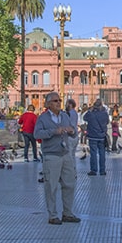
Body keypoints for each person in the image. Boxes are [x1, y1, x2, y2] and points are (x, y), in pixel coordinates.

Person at [34, 91, 79, 225]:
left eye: (59, 100)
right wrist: (53, 132)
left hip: (65, 154)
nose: (59, 103)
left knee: (69, 184)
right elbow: (37, 134)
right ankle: (53, 215)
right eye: (55, 101)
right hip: (51, 155)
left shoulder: (65, 116)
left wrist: (72, 131)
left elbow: (74, 131)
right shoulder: (43, 118)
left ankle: (68, 213)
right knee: (51, 186)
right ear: (48, 104)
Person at [84, 98, 109, 176]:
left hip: (92, 136)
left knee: (93, 153)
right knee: (102, 153)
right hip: (101, 136)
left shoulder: (91, 113)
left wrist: (90, 110)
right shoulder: (105, 113)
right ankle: (102, 170)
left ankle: (94, 170)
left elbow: (84, 118)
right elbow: (107, 122)